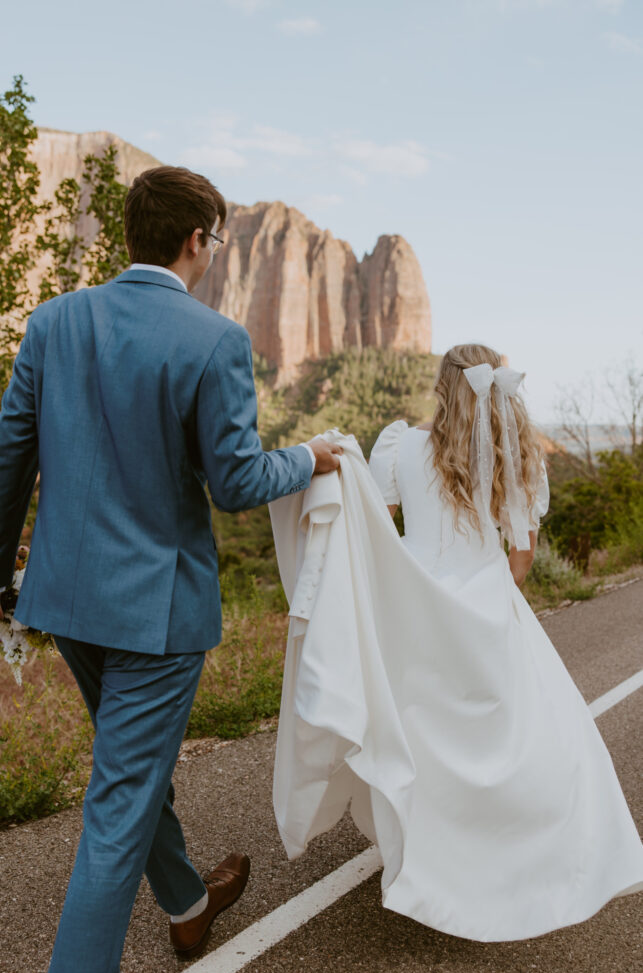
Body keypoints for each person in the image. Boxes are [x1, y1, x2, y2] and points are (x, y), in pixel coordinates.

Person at [0, 165, 341, 973]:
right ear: (197, 239)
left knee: (130, 773)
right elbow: (239, 482)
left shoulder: (54, 321)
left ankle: (185, 905)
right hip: (156, 618)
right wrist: (310, 457)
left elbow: (7, 461)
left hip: (63, 605)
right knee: (116, 808)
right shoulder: (212, 339)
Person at [269, 342, 642, 942]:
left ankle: (425, 846)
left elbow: (378, 520)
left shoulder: (402, 445)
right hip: (487, 601)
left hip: (415, 599)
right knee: (517, 733)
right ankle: (513, 850)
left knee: (416, 728)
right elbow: (521, 556)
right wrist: (492, 591)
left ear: (443, 387)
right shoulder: (516, 458)